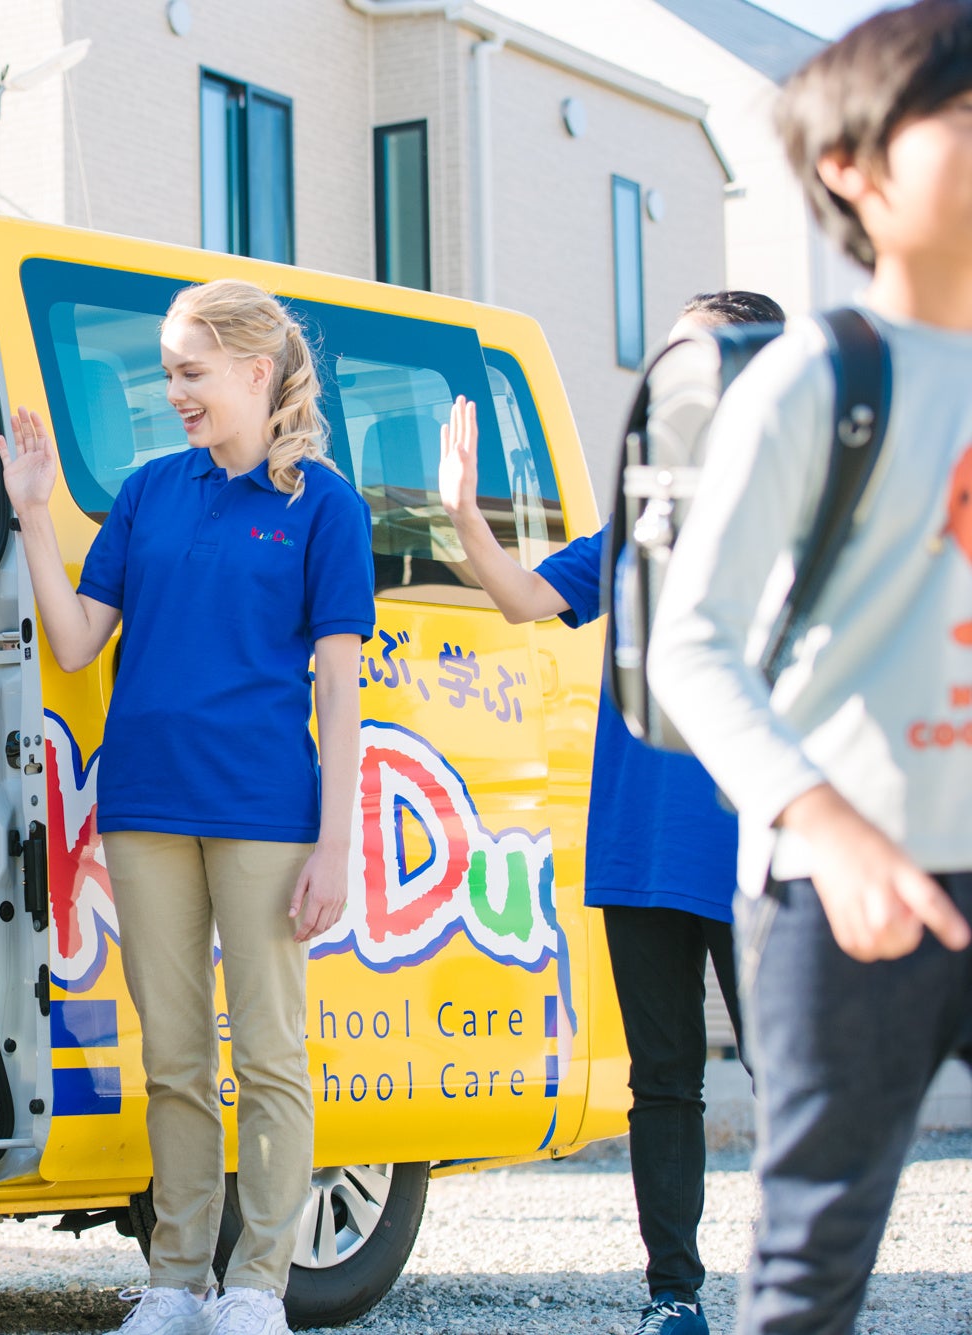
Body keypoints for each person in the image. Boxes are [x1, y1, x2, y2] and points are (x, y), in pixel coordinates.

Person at [648, 4, 972, 1331]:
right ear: (855, 166)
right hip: (838, 891)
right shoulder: (818, 376)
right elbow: (691, 640)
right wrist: (824, 823)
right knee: (811, 1264)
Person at [0, 278, 373, 1335]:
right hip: (146, 802)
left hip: (265, 811)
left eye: (188, 372)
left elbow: (341, 689)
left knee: (267, 1057)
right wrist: (33, 513)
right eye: (168, 372)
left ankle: (257, 1284)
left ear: (254, 373)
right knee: (172, 1057)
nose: (171, 392)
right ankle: (173, 1282)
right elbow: (75, 641)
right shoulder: (147, 492)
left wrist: (333, 847)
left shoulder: (324, 506)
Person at [438, 288, 783, 1335]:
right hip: (640, 845)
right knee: (664, 1080)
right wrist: (460, 509)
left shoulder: (796, 515)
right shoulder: (635, 527)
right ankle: (670, 1296)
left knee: (793, 1079)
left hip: (764, 843)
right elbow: (520, 597)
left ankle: (806, 1288)